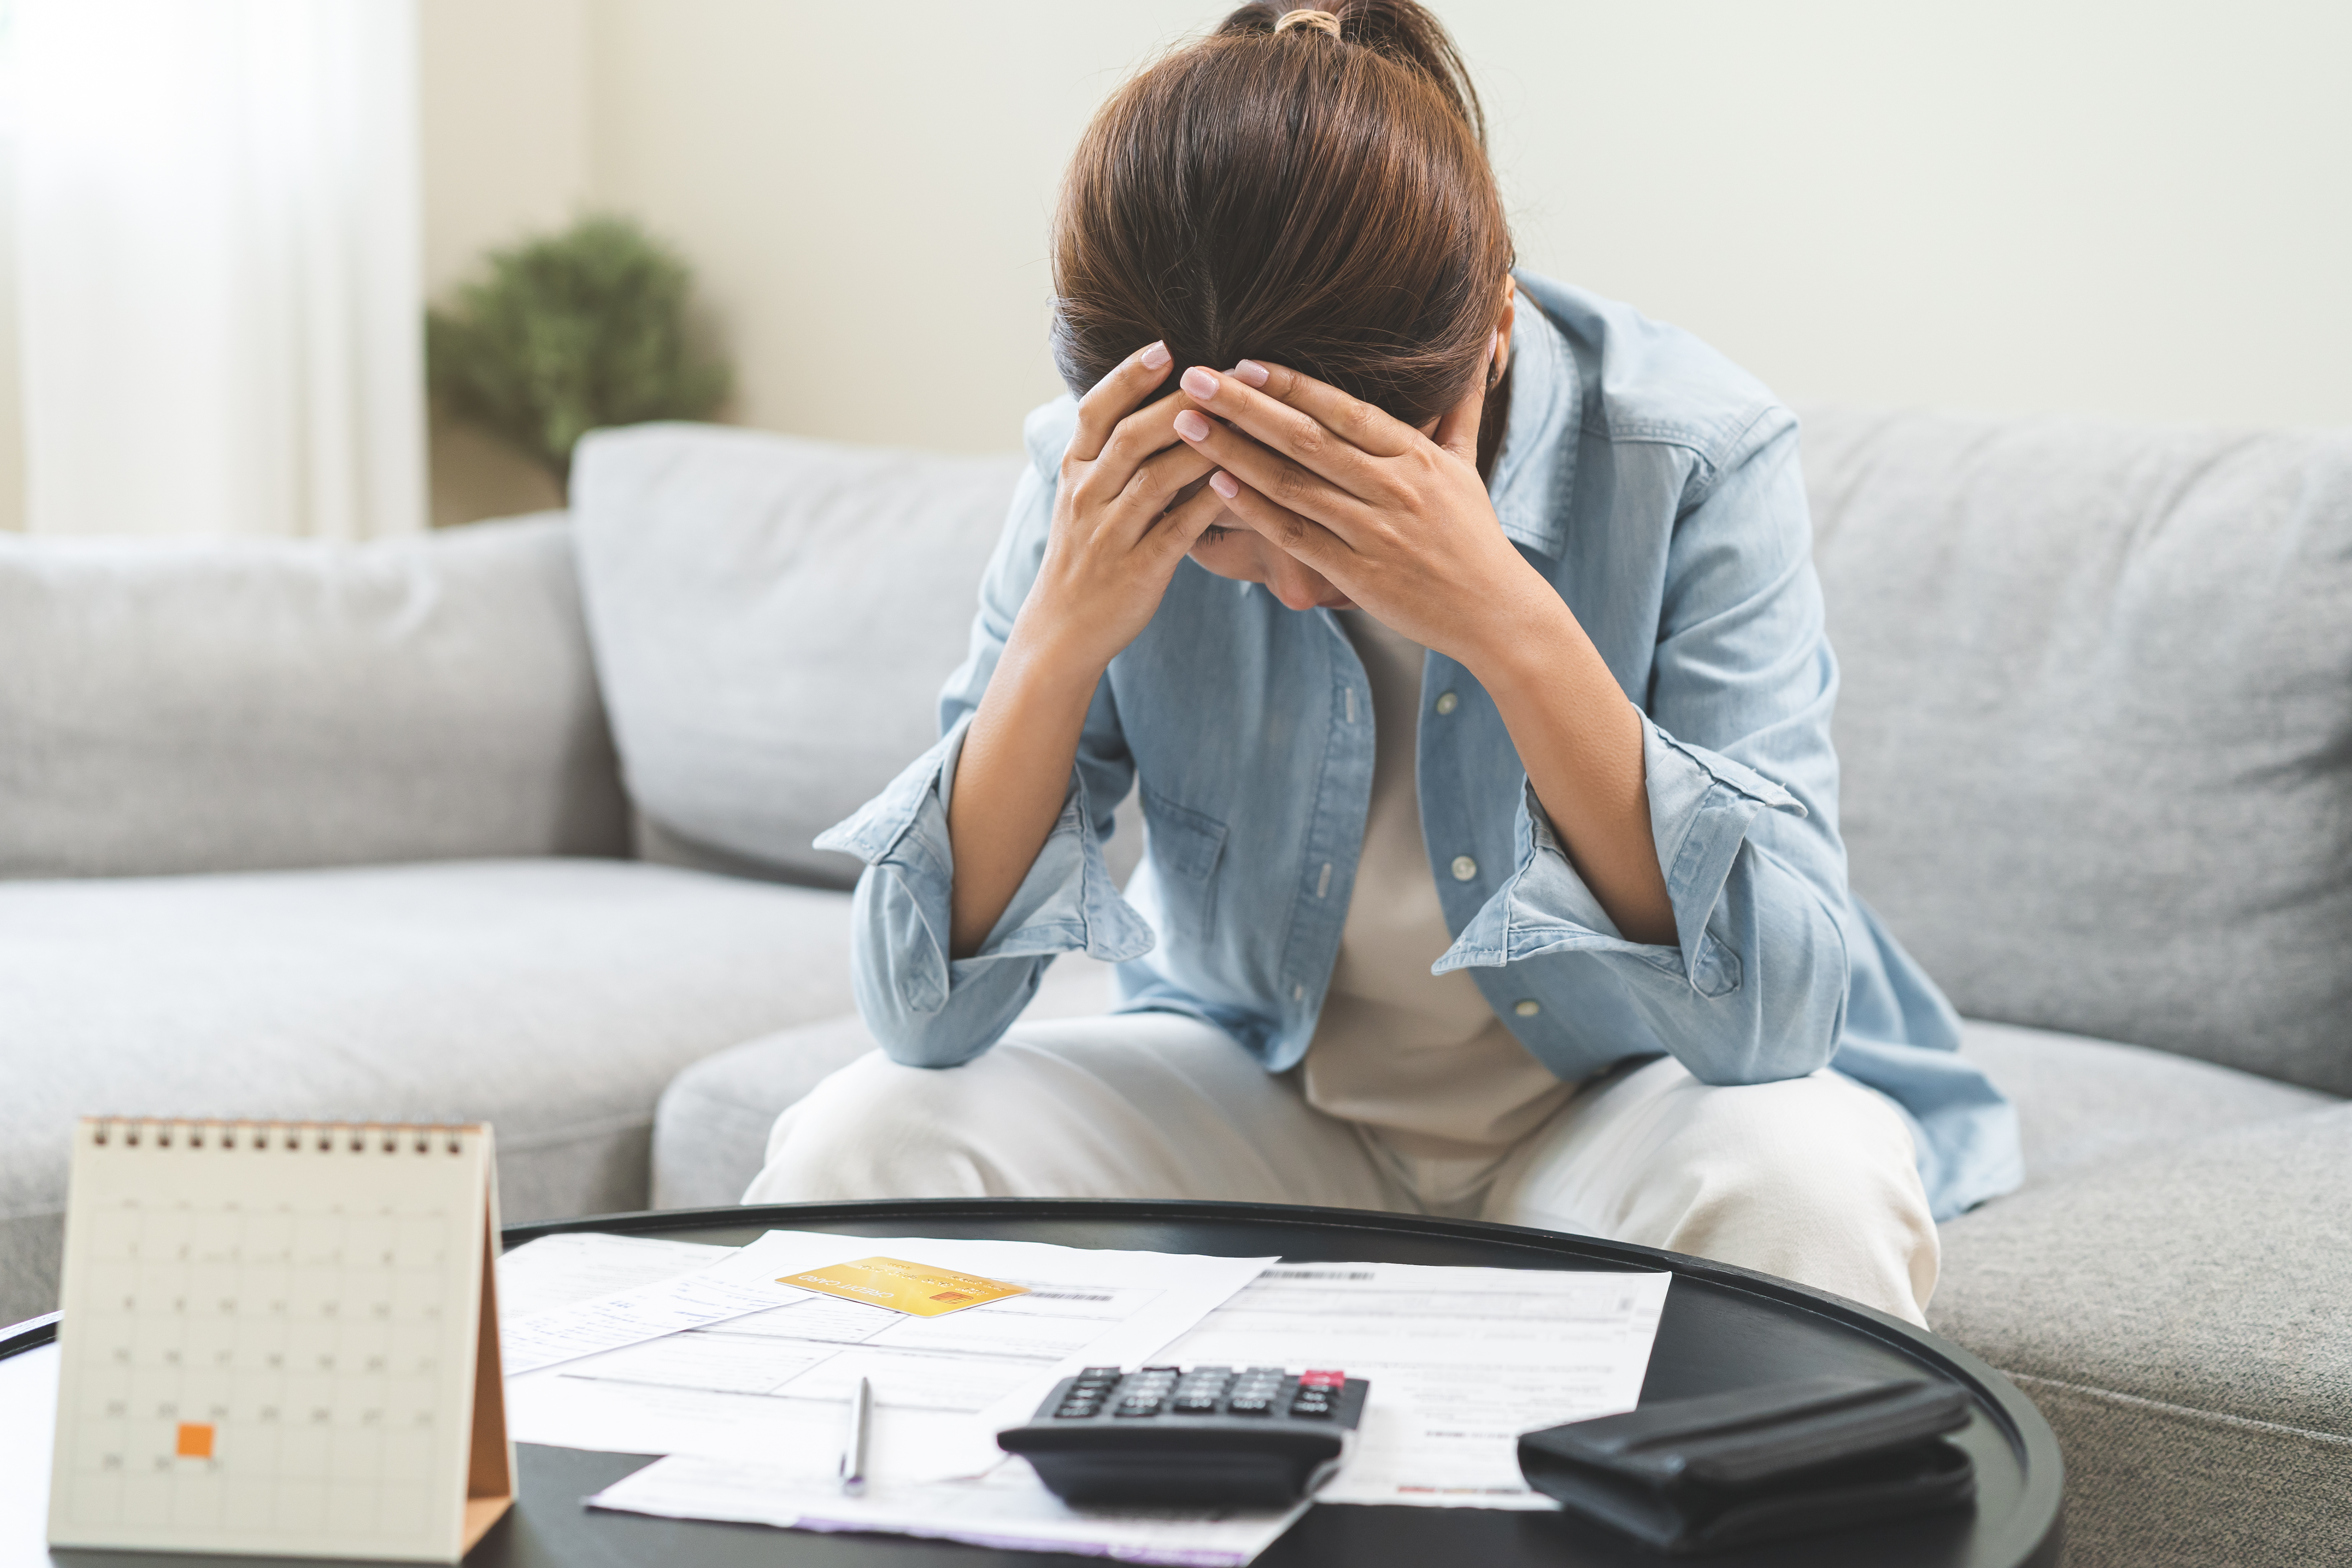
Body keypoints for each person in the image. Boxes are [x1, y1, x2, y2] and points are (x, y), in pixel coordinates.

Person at [744, 0, 2019, 1326]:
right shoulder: (1097, 472)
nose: (1298, 588)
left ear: (1493, 339)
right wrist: (1066, 629)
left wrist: (1500, 615)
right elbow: (920, 1019)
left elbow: (1769, 1028)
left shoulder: (1692, 454)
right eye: (1231, 541)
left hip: (1621, 1105)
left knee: (1799, 1186)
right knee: (868, 1137)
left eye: (1331, 520)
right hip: (1265, 1096)